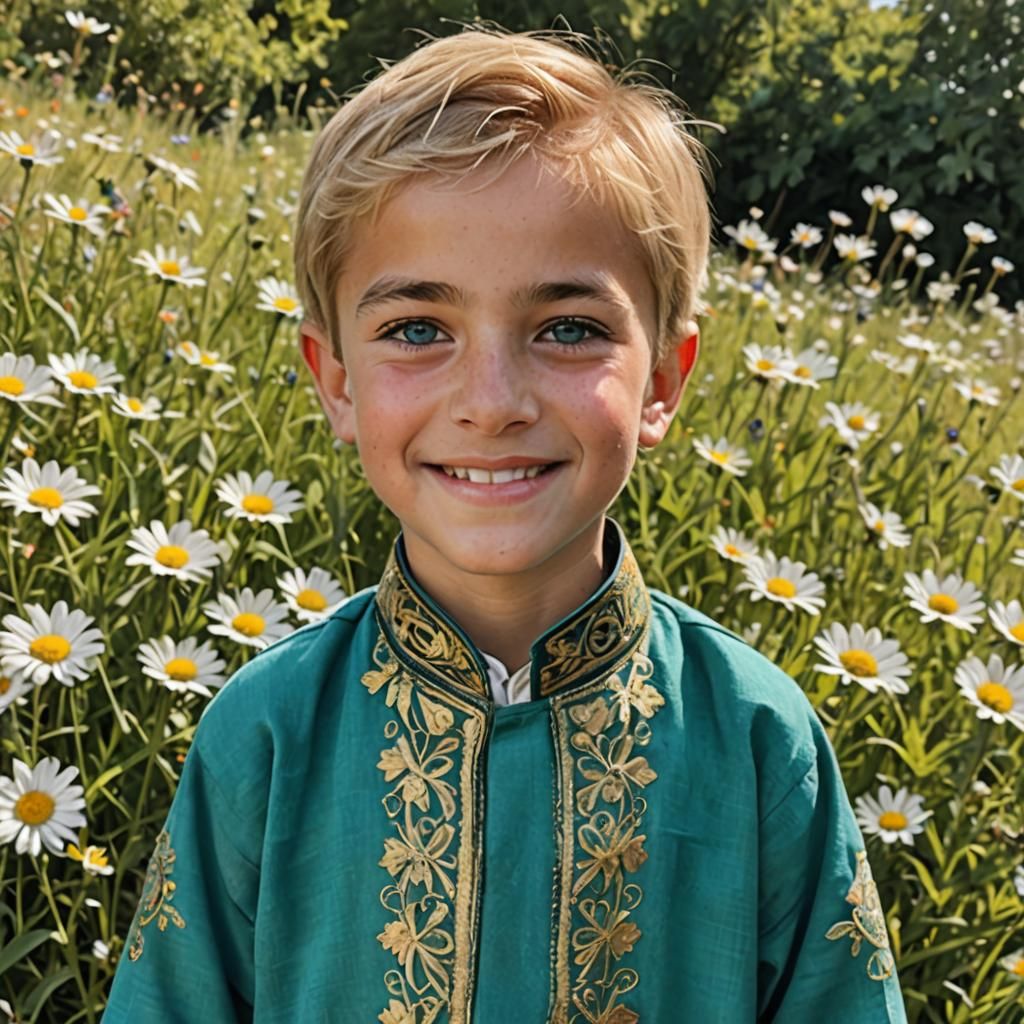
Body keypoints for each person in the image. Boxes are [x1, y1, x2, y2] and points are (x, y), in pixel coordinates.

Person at [102, 24, 908, 1023]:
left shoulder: (757, 740)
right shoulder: (263, 735)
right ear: (336, 380)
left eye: (567, 328)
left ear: (661, 381)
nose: (491, 400)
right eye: (417, 330)